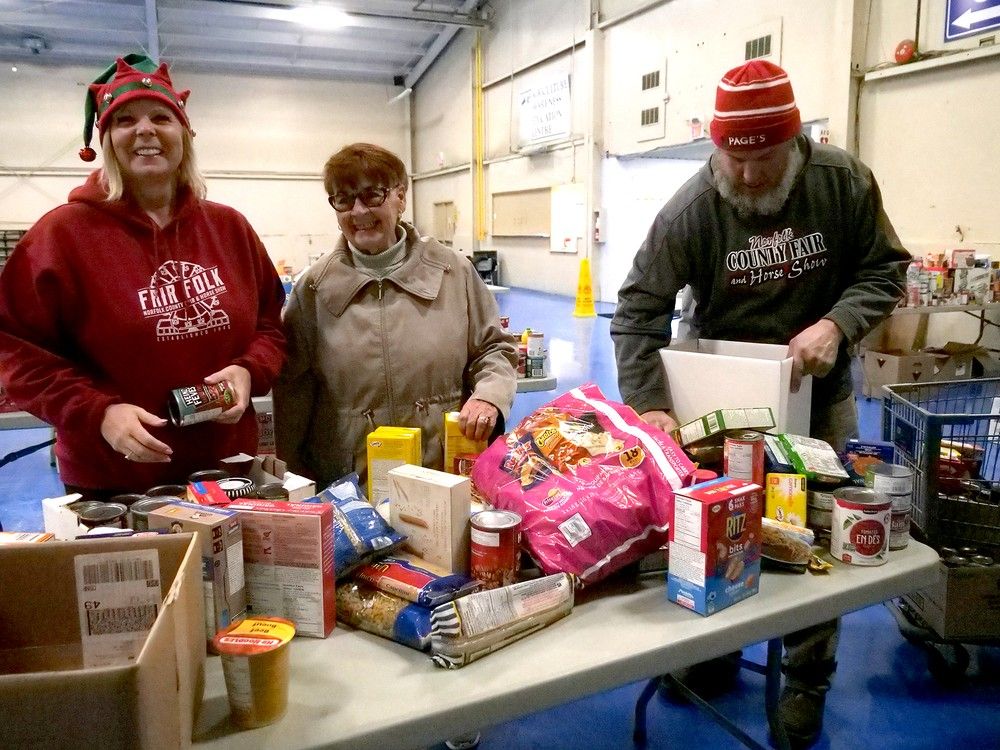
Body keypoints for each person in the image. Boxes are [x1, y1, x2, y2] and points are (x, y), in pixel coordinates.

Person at [611, 60, 910, 748]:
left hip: (816, 387)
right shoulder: (691, 209)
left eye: (764, 157)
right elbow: (637, 312)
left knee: (811, 526)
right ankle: (717, 644)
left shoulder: (843, 182)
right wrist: (652, 405)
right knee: (713, 517)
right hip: (718, 393)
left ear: (795, 143)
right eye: (732, 156)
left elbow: (884, 268)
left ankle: (808, 678)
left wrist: (837, 325)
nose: (746, 175)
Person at [0, 54, 286, 502]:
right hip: (114, 481)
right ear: (107, 140)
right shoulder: (60, 236)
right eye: (125, 120)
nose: (145, 130)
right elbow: (17, 352)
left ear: (185, 136)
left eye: (161, 117)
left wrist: (250, 372)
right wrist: (98, 413)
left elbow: (271, 326)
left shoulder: (229, 228)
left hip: (225, 469)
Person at [274, 142, 517, 493]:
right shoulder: (314, 288)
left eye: (373, 195)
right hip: (350, 484)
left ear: (400, 197)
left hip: (442, 473)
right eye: (343, 199)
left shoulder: (453, 272)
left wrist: (489, 396)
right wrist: (294, 481)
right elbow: (293, 391)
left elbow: (494, 348)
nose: (358, 211)